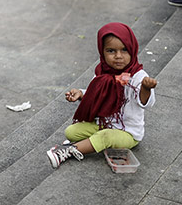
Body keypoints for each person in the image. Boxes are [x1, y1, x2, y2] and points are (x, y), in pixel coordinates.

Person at [46, 23, 157, 169]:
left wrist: (146, 89)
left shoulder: (137, 76)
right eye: (111, 51)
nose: (118, 56)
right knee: (71, 132)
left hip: (128, 132)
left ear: (133, 50)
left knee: (105, 136)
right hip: (105, 123)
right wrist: (81, 93)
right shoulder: (102, 70)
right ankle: (91, 143)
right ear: (102, 52)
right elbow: (96, 94)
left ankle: (69, 151)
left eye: (124, 50)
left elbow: (145, 103)